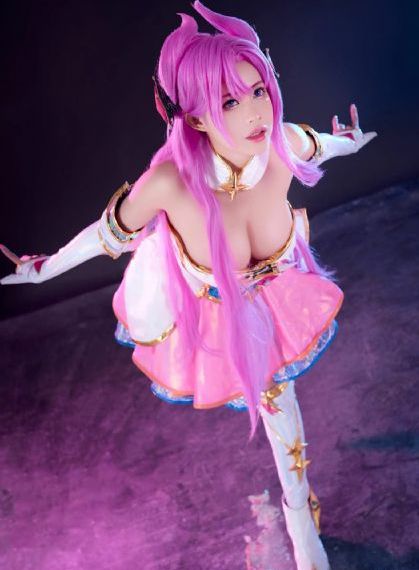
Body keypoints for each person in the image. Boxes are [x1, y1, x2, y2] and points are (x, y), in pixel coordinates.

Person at [0, 2, 377, 568]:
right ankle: (301, 520)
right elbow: (108, 233)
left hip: (275, 294)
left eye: (258, 90)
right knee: (272, 402)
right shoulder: (170, 183)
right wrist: (44, 268)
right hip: (218, 307)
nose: (256, 112)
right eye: (229, 102)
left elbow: (325, 142)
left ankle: (301, 519)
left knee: (282, 410)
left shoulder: (282, 144)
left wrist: (353, 139)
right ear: (196, 119)